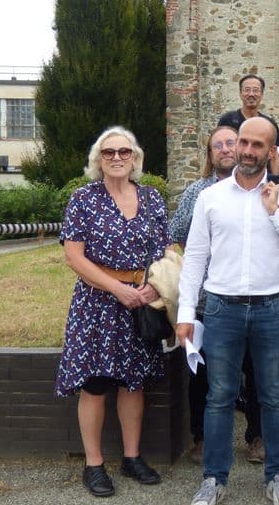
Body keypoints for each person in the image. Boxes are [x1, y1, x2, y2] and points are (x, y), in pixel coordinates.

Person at [177, 117, 279, 505]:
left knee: (274, 395)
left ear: (272, 152)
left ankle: (278, 476)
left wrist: (275, 212)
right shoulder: (211, 197)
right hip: (221, 308)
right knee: (219, 395)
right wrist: (185, 313)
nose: (247, 150)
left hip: (271, 308)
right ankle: (214, 478)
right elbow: (194, 257)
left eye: (258, 145)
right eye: (243, 142)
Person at [55, 126, 167, 498]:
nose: (117, 158)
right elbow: (73, 256)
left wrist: (155, 285)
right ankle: (94, 464)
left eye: (124, 152)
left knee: (133, 381)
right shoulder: (83, 199)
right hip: (98, 303)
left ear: (135, 158)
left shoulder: (152, 198)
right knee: (96, 383)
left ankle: (132, 458)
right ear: (98, 160)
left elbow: (167, 250)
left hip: (141, 301)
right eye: (108, 153)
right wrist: (117, 288)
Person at [169, 126, 265, 466]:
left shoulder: (263, 188)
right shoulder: (198, 192)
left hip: (253, 299)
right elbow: (177, 235)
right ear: (210, 155)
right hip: (209, 301)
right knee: (205, 377)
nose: (225, 149)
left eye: (230, 142)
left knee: (255, 374)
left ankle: (257, 436)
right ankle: (202, 438)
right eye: (217, 145)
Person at [218, 73, 279, 147]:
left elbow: (278, 151)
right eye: (247, 90)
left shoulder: (269, 124)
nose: (251, 94)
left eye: (256, 90)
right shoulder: (228, 120)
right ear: (240, 94)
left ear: (262, 94)